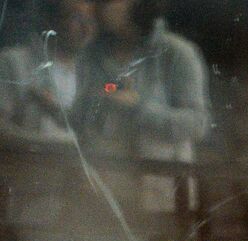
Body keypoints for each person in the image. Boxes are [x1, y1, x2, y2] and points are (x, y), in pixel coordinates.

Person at [72, 0, 209, 210]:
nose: (102, 7)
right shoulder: (91, 54)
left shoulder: (178, 53)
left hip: (160, 195)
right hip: (103, 195)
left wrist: (138, 107)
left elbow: (197, 125)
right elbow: (79, 119)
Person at [0, 0, 96, 143]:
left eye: (91, 20)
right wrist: (53, 144)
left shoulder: (89, 74)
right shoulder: (14, 62)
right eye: (76, 18)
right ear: (52, 20)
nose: (86, 28)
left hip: (73, 164)